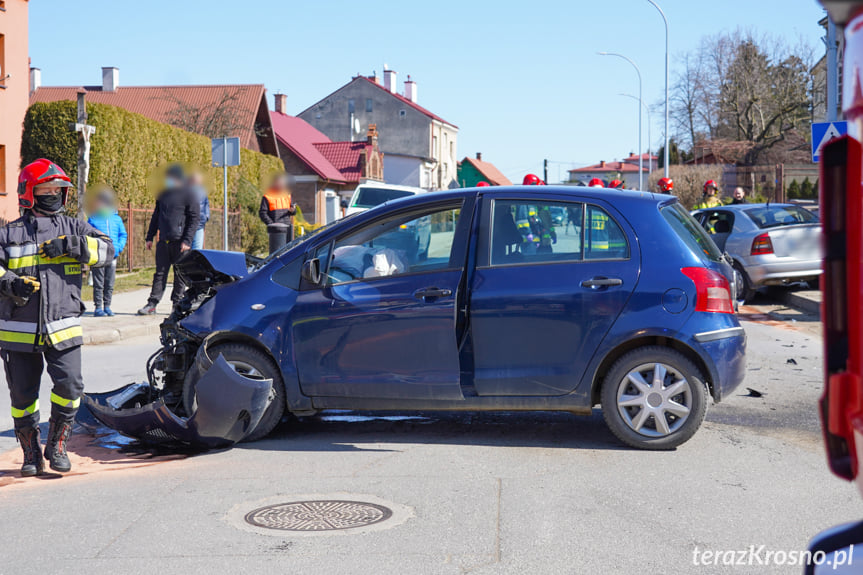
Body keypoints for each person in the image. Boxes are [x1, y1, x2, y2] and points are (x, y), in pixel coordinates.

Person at [2, 159, 114, 475]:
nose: (53, 194)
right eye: (45, 189)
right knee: (22, 397)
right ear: (29, 193)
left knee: (71, 385)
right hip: (18, 330)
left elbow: (108, 252)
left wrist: (74, 246)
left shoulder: (74, 227)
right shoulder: (9, 234)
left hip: (63, 326)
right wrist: (10, 283)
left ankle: (57, 445)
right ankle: (30, 455)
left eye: (57, 189)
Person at [137, 164, 200, 315]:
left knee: (179, 275)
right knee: (160, 273)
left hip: (181, 243)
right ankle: (152, 304)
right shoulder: (163, 194)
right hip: (163, 241)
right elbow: (156, 216)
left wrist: (187, 240)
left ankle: (177, 305)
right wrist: (149, 237)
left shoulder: (189, 194)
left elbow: (194, 218)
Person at [87, 187, 127, 317]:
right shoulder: (93, 219)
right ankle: (98, 307)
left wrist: (118, 248)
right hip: (98, 256)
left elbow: (123, 235)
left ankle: (107, 306)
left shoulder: (116, 219)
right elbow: (87, 236)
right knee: (98, 283)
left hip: (112, 256)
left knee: (109, 282)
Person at [188, 171, 210, 250]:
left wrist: (206, 216)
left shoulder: (202, 192)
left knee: (197, 250)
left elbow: (206, 204)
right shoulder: (186, 192)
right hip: (188, 226)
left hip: (200, 225)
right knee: (187, 251)